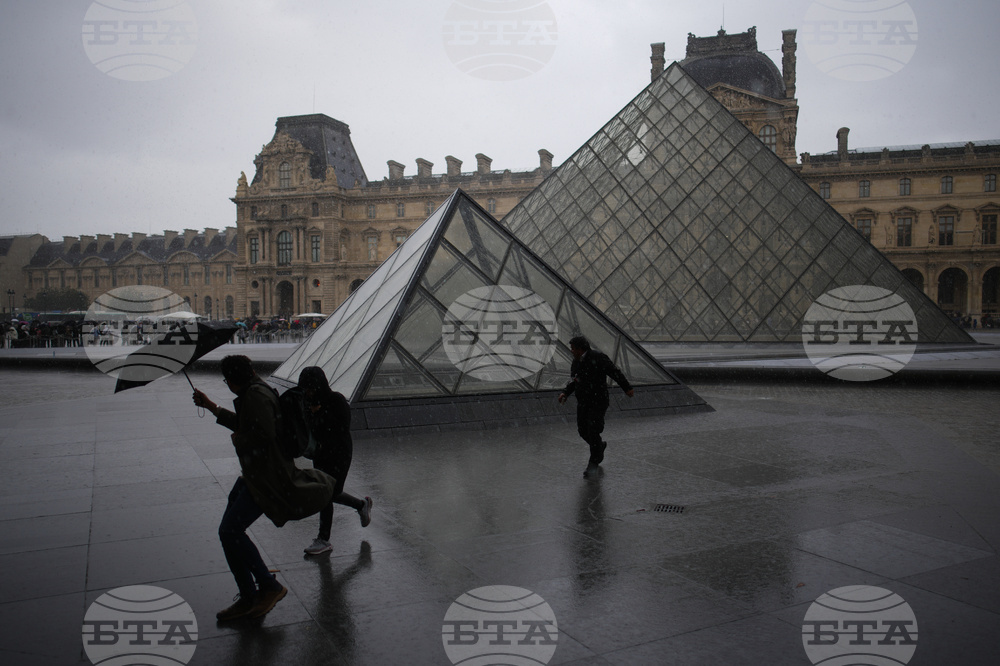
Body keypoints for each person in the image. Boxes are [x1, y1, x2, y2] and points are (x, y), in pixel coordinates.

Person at [193, 355, 336, 621]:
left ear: (232, 380)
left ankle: (266, 587)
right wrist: (212, 407)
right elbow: (252, 424)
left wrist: (239, 441)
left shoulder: (256, 396)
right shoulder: (256, 391)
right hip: (256, 475)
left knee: (230, 531)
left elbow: (263, 433)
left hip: (266, 479)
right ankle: (249, 594)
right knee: (229, 531)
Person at [297, 366, 373, 556]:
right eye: (305, 389)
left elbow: (340, 429)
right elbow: (308, 427)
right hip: (320, 455)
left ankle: (324, 539)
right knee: (328, 492)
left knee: (329, 492)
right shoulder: (307, 402)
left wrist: (319, 414)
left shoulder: (337, 400)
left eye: (311, 388)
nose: (308, 392)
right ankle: (361, 505)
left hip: (339, 454)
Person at [558, 336, 634, 477]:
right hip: (583, 401)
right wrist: (565, 392)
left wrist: (627, 387)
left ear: (580, 349)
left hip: (598, 401)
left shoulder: (598, 357)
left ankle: (593, 463)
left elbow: (614, 372)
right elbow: (574, 380)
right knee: (582, 430)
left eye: (573, 348)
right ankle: (599, 446)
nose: (571, 351)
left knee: (593, 430)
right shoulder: (576, 361)